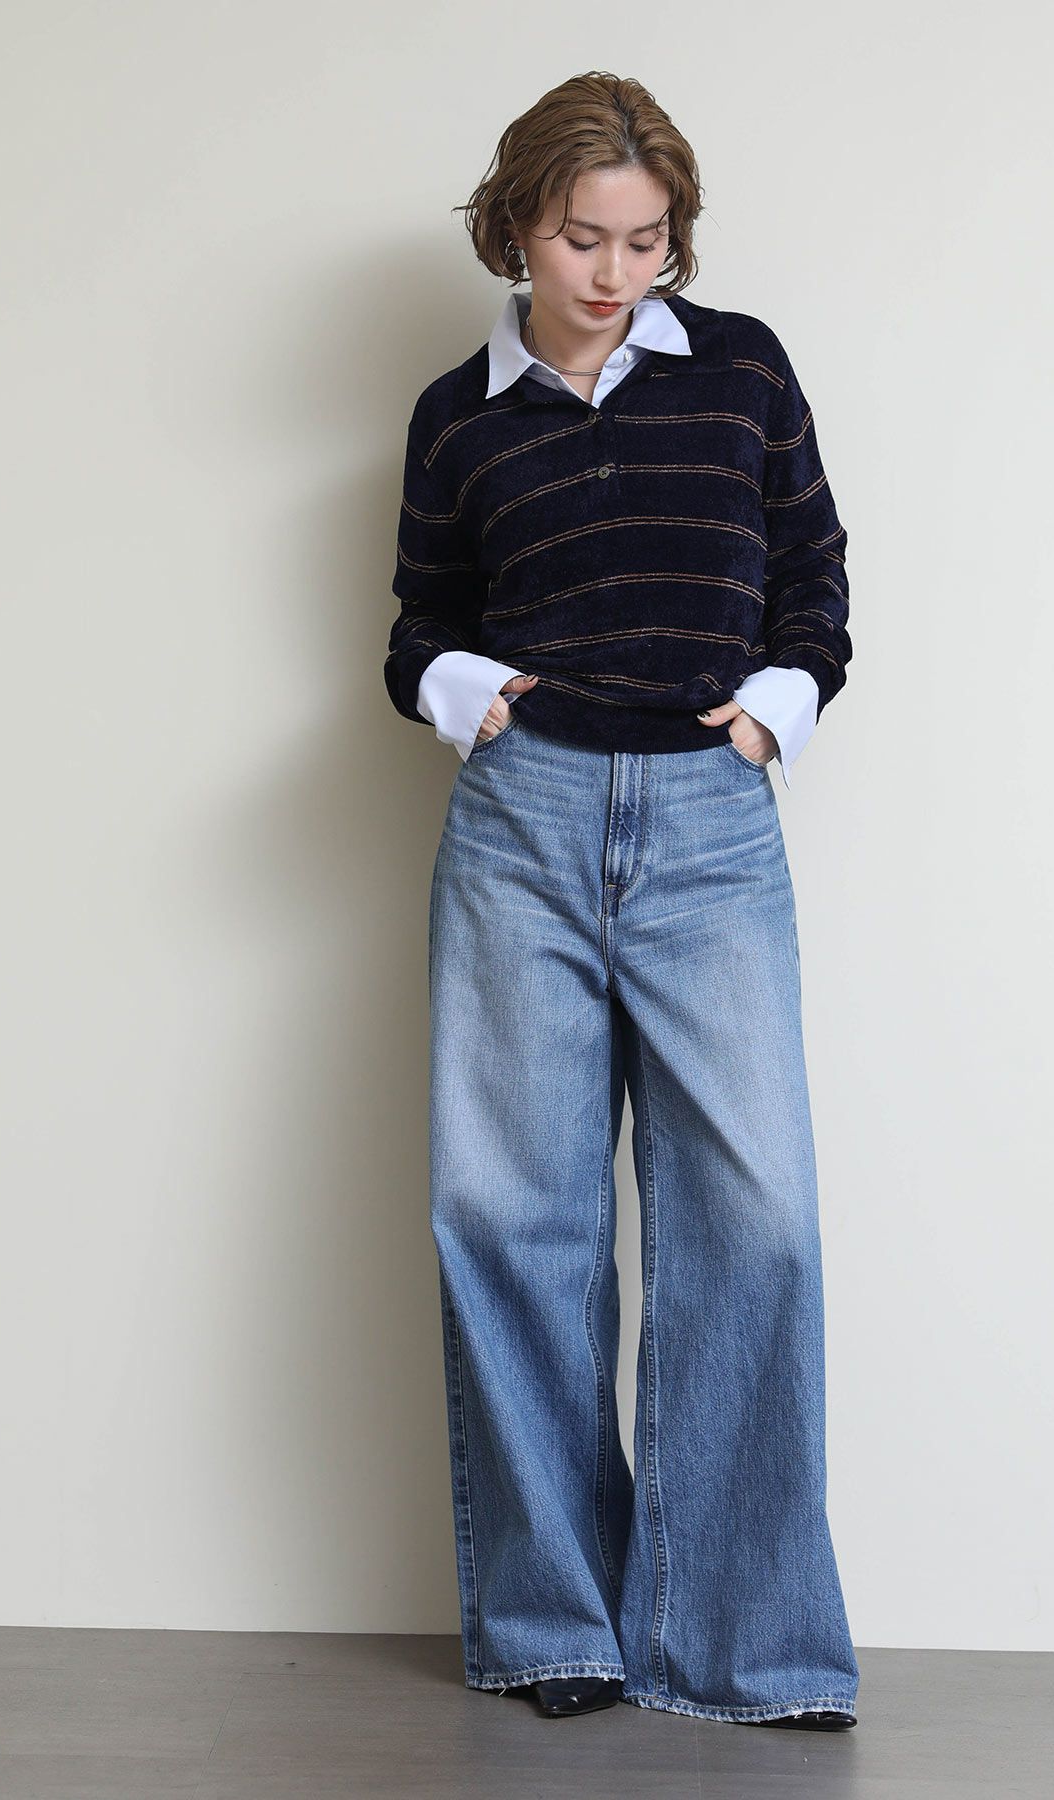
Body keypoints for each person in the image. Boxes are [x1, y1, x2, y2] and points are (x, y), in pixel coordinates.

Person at [383, 71, 859, 1732]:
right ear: (517, 226)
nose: (613, 270)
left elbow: (815, 576)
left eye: (646, 239)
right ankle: (554, 1628)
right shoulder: (459, 417)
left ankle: (744, 1645)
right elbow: (418, 622)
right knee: (511, 1220)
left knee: (759, 1219)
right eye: (583, 236)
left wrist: (775, 710)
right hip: (522, 823)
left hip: (711, 821)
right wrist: (468, 696)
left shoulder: (742, 371)